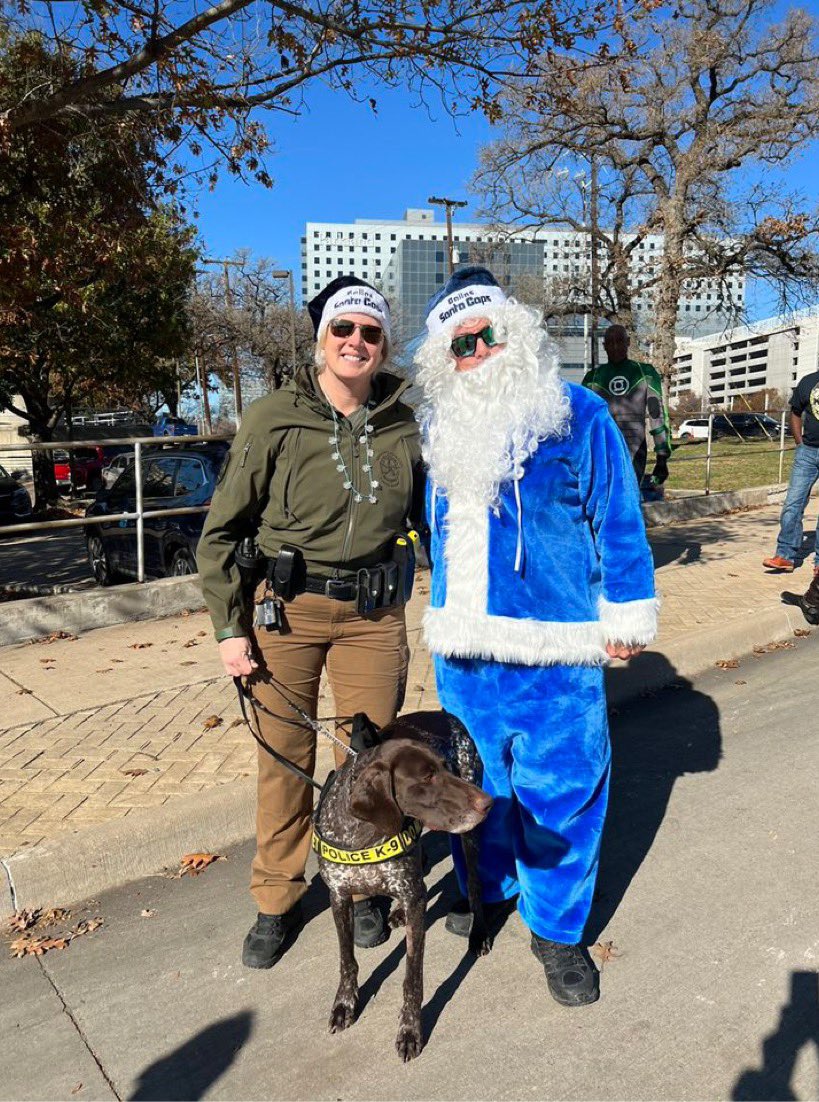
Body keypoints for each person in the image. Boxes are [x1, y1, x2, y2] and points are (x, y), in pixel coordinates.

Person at [413, 267, 658, 1006]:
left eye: (485, 335)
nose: (476, 353)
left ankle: (556, 931)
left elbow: (617, 520)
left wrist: (626, 614)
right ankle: (484, 890)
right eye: (459, 344)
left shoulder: (577, 414)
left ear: (513, 334)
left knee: (563, 793)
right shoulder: (438, 428)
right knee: (475, 784)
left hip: (555, 652)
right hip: (463, 655)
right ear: (442, 356)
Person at [197, 276, 422, 969]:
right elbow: (222, 529)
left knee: (367, 763)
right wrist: (229, 627)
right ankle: (275, 896)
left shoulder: (405, 422)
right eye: (342, 330)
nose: (356, 342)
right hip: (285, 612)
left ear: (383, 347)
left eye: (370, 333)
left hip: (372, 613)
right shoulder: (273, 416)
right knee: (283, 763)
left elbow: (436, 520)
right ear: (320, 338)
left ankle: (364, 887)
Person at [583, 324, 672, 490]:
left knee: (628, 496)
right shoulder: (592, 377)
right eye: (610, 342)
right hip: (601, 447)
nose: (615, 347)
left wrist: (662, 457)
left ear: (628, 342)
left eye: (619, 341)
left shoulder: (645, 372)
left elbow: (656, 412)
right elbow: (583, 419)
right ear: (604, 346)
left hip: (634, 446)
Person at [762, 366, 819, 575]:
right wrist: (799, 443)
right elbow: (796, 412)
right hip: (808, 452)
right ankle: (785, 556)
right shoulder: (808, 381)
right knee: (792, 505)